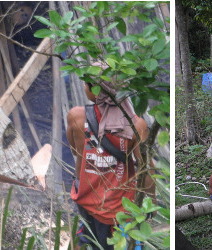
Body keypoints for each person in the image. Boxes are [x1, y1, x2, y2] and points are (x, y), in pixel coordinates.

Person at [67, 67, 155, 250]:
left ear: (93, 90)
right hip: (120, 207)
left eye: (85, 84)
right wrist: (151, 202)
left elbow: (76, 152)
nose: (84, 87)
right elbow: (146, 169)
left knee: (84, 240)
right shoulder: (136, 124)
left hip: (86, 198)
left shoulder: (75, 116)